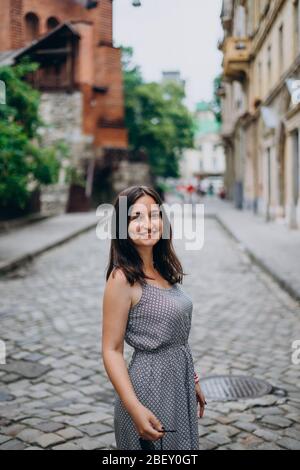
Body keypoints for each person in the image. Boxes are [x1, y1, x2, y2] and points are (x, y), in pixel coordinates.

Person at [101, 185, 206, 450]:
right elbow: (111, 350)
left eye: (154, 214)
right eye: (135, 216)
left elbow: (175, 338)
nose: (147, 223)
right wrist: (134, 408)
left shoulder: (163, 268)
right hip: (149, 391)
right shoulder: (122, 278)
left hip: (178, 385)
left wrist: (191, 379)